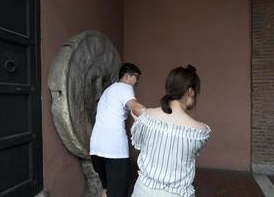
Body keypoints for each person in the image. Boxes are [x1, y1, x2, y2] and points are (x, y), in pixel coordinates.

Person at [130, 64, 211, 197]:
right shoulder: (199, 132)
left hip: (142, 191)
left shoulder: (147, 118)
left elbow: (141, 142)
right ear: (190, 91)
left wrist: (141, 119)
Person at [89, 62, 145, 197]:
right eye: (136, 78)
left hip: (96, 148)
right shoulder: (125, 88)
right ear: (127, 76)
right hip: (114, 150)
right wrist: (157, 117)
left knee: (106, 190)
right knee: (118, 193)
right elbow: (135, 107)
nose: (137, 82)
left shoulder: (108, 90)